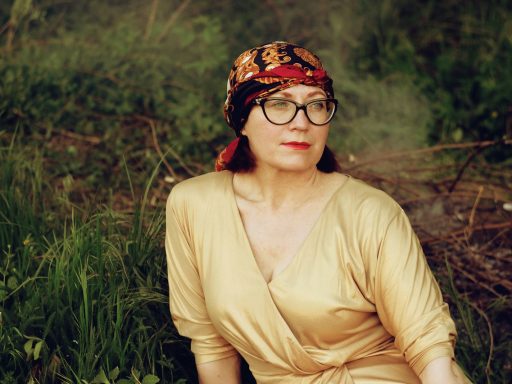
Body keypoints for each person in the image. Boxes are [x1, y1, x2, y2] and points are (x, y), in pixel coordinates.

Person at [165, 41, 470, 383]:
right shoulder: (193, 204)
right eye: (279, 104)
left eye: (316, 105)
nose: (301, 123)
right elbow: (210, 342)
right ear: (241, 119)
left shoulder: (370, 212)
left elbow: (427, 338)